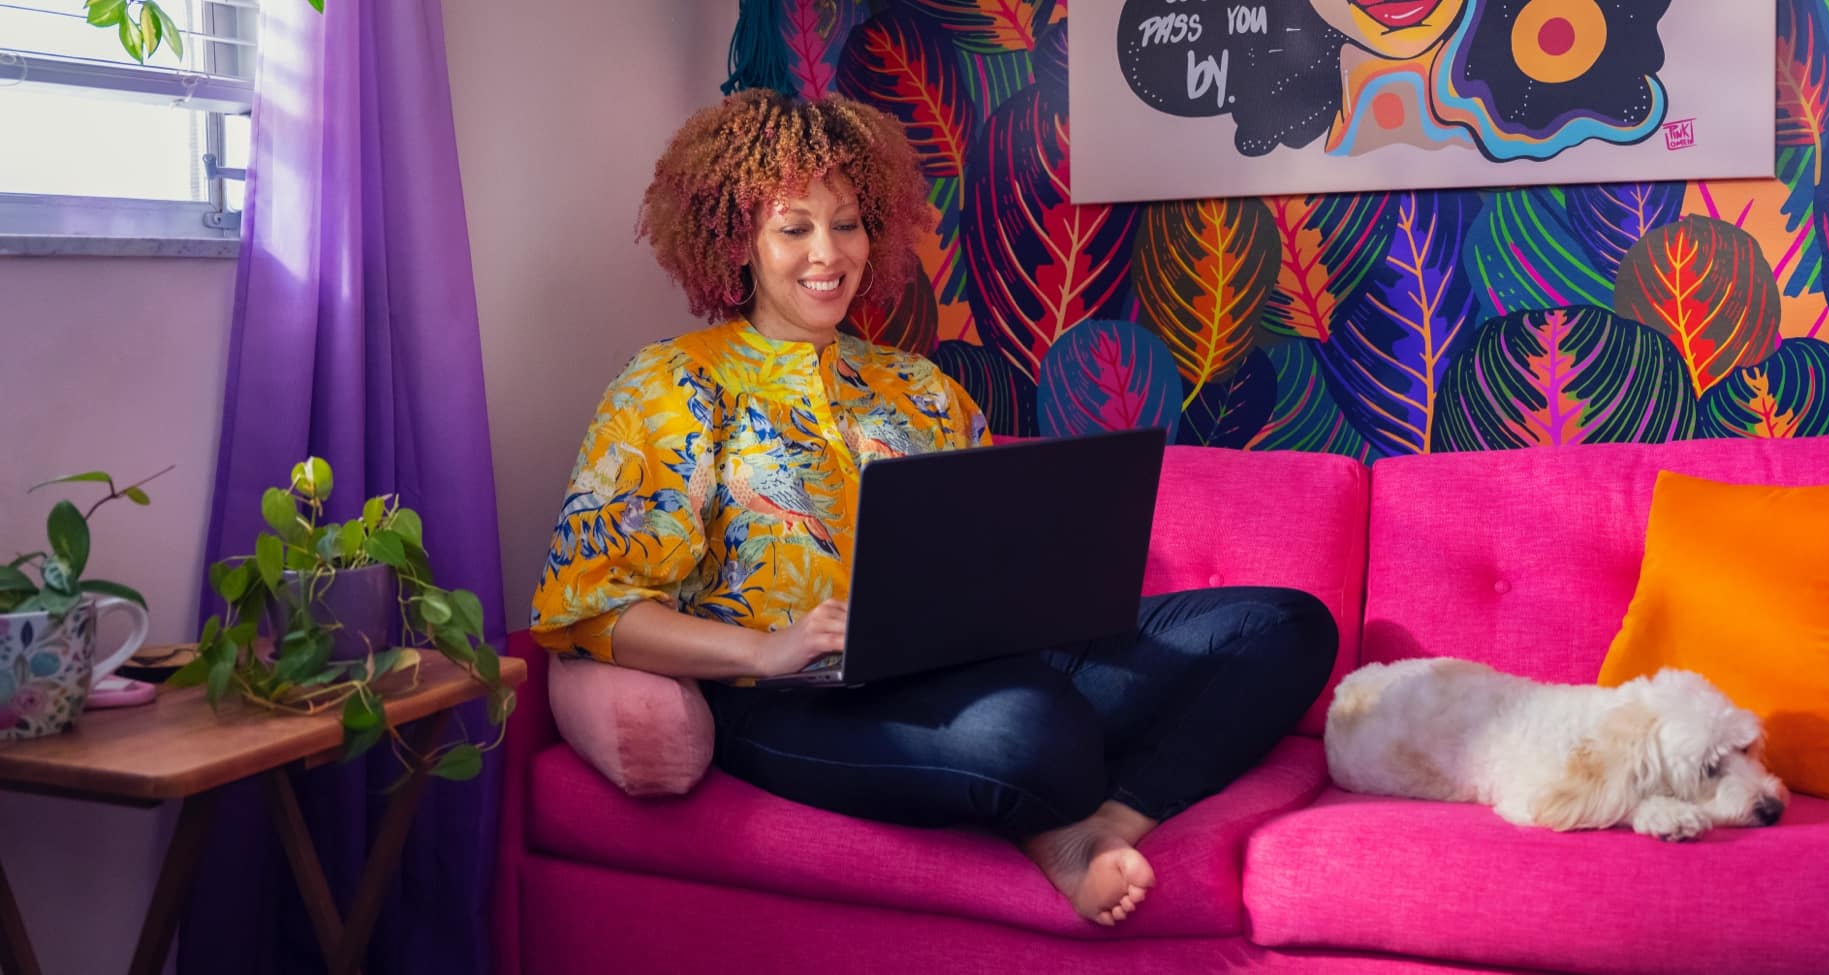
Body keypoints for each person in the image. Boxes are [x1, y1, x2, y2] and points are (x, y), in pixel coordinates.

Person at [529, 89, 1338, 927]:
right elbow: (589, 611)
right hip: (793, 697)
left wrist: (1053, 584)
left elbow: (989, 545)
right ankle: (1053, 790)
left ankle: (1106, 820)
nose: (827, 253)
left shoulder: (919, 386)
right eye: (794, 227)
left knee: (1283, 625)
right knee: (1031, 732)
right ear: (737, 242)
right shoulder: (669, 385)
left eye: (846, 223)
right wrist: (767, 650)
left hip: (975, 663)